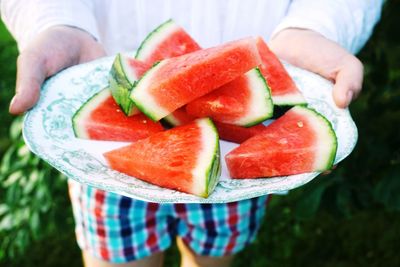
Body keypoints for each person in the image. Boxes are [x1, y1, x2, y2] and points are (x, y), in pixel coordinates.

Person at [1, 1, 383, 266]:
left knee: (212, 256)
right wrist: (54, 19)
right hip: (111, 147)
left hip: (241, 150)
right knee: (116, 260)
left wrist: (316, 26)